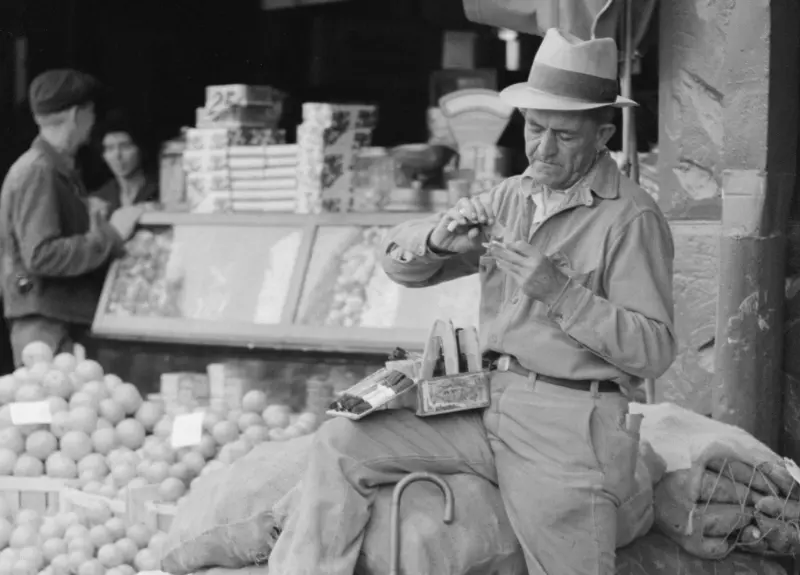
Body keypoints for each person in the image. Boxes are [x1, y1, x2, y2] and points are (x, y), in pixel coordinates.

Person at [268, 29, 677, 575]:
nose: (543, 149)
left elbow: (655, 350)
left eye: (563, 135)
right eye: (534, 128)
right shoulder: (510, 196)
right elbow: (398, 264)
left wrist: (560, 293)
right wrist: (439, 241)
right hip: (482, 401)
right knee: (342, 442)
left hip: (569, 424)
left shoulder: (632, 218)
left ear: (603, 135)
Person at [0, 69, 144, 366]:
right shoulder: (39, 170)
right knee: (50, 397)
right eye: (91, 112)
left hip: (56, 320)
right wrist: (112, 234)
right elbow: (41, 254)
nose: (93, 122)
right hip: (48, 326)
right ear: (77, 115)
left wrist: (87, 215)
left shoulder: (55, 168)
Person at [90, 109, 159, 217]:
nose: (117, 155)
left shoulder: (160, 192)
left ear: (140, 149)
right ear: (103, 155)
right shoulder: (99, 198)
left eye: (125, 146)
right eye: (110, 148)